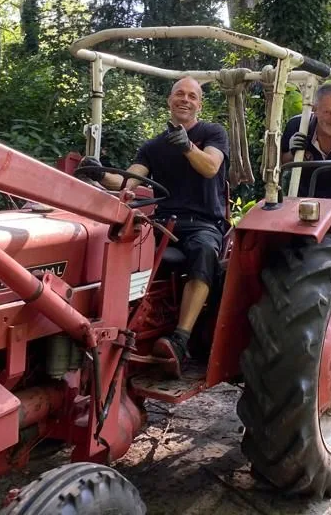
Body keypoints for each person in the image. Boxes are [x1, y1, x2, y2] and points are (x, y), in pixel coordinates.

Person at [84, 76, 229, 378]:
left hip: (203, 223)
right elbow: (129, 181)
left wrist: (187, 146)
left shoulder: (213, 133)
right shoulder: (153, 146)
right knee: (121, 248)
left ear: (199, 104)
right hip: (162, 222)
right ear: (170, 100)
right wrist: (100, 173)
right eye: (179, 94)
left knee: (204, 252)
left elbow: (211, 166)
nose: (185, 100)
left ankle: (180, 339)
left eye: (192, 96)